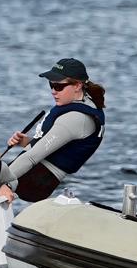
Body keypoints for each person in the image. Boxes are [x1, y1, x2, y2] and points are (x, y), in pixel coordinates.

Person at [7, 58, 106, 202]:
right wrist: (25, 142)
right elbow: (55, 145)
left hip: (34, 181)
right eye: (51, 85)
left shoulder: (77, 118)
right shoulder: (81, 103)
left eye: (59, 86)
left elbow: (32, 157)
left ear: (78, 85)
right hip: (31, 172)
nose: (53, 91)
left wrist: (3, 183)